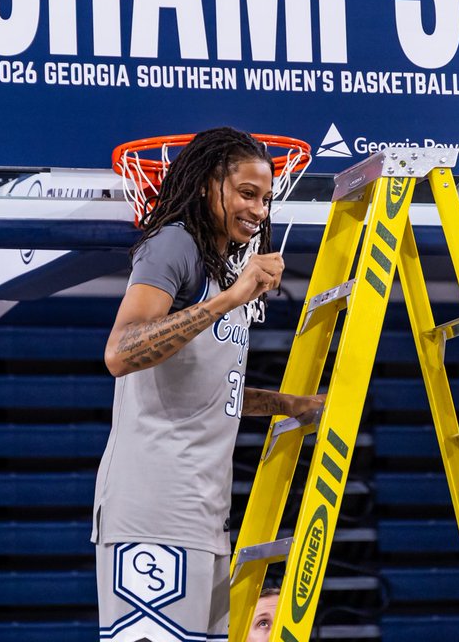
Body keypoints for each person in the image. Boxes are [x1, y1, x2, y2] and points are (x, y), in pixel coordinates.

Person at [93, 127, 321, 642]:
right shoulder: (174, 243)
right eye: (246, 193)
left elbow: (212, 392)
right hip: (153, 511)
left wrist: (291, 404)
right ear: (205, 185)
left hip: (203, 514)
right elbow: (120, 352)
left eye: (265, 198)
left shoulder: (222, 269)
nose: (260, 210)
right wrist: (229, 299)